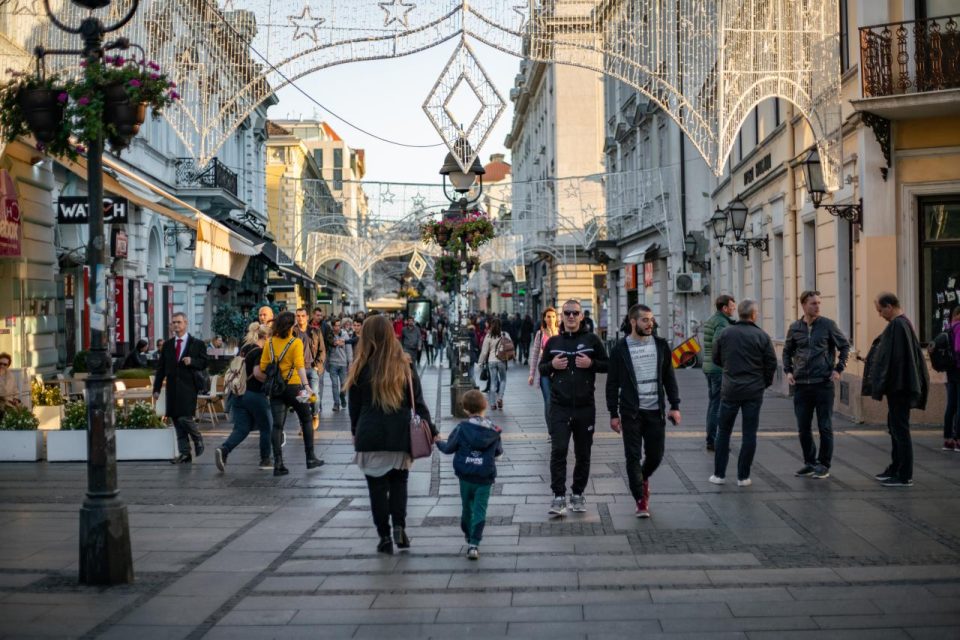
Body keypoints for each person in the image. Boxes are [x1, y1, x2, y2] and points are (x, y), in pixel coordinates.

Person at [345, 314, 436, 554]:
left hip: (370, 434)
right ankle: (399, 526)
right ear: (391, 335)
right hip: (399, 434)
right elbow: (418, 402)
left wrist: (355, 431)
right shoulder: (404, 364)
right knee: (399, 484)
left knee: (376, 490)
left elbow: (353, 407)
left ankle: (384, 536)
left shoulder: (359, 367)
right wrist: (431, 429)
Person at [606, 304, 681, 518]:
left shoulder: (660, 345)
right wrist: (613, 413)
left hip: (655, 411)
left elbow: (669, 377)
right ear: (633, 322)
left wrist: (675, 405)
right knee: (632, 456)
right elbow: (612, 384)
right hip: (631, 412)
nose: (650, 324)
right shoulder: (620, 349)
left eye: (651, 320)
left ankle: (641, 478)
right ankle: (640, 499)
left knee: (656, 455)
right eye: (645, 320)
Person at [540, 299, 609, 515]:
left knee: (583, 453)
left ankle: (577, 494)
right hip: (560, 407)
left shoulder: (592, 340)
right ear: (562, 316)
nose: (571, 317)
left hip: (584, 407)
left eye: (575, 313)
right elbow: (542, 367)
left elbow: (608, 365)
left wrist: (592, 364)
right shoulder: (553, 342)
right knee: (558, 450)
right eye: (567, 313)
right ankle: (558, 496)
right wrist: (551, 365)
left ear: (581, 316)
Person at [863, 292, 929, 488]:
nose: (879, 315)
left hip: (900, 388)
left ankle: (903, 475)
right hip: (899, 386)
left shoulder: (898, 325)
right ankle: (895, 467)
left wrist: (886, 382)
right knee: (895, 428)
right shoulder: (900, 324)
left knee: (900, 430)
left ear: (889, 306)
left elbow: (898, 360)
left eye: (880, 310)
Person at [783, 290, 851, 480]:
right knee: (803, 427)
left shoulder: (828, 325)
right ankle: (810, 463)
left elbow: (844, 346)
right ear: (804, 305)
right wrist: (788, 371)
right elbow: (787, 351)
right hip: (802, 385)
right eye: (813, 303)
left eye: (819, 303)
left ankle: (824, 464)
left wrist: (838, 369)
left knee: (825, 426)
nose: (817, 306)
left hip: (823, 384)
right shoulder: (795, 327)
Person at [709, 299, 777, 487]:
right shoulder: (762, 335)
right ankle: (743, 477)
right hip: (753, 391)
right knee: (749, 433)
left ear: (739, 313)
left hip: (730, 389)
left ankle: (719, 475)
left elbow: (716, 358)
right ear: (754, 315)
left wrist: (729, 369)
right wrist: (764, 383)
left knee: (723, 432)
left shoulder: (725, 333)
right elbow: (771, 363)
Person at [437, 389, 503, 560]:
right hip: (484, 477)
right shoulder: (493, 430)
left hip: (465, 475)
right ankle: (474, 544)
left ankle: (467, 531)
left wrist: (437, 441)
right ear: (485, 406)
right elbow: (498, 453)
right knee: (480, 509)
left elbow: (448, 448)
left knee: (467, 506)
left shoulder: (461, 428)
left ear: (465, 409)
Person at [258, 311, 323, 476]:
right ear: (290, 326)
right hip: (295, 388)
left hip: (276, 390)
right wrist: (307, 387)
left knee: (277, 425)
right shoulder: (295, 342)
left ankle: (278, 464)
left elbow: (264, 366)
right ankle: (310, 458)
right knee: (307, 419)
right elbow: (300, 366)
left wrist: (276, 372)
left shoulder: (270, 343)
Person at [215, 323, 272, 472]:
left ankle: (224, 450)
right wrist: (271, 380)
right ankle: (265, 460)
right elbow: (258, 373)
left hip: (238, 393)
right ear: (265, 337)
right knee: (267, 426)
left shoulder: (244, 349)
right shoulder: (259, 351)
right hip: (254, 394)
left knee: (242, 428)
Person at [153, 312, 209, 464]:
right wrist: (156, 389)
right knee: (176, 420)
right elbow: (161, 368)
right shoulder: (168, 345)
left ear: (185, 323)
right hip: (172, 387)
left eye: (178, 322)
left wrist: (192, 361)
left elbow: (204, 363)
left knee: (185, 417)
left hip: (189, 386)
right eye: (173, 323)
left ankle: (197, 437)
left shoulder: (196, 343)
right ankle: (185, 454)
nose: (176, 325)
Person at [701, 295, 736, 452]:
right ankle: (714, 441)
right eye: (732, 306)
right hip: (718, 369)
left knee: (713, 404)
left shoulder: (713, 319)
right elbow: (719, 344)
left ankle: (711, 439)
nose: (734, 308)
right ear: (724, 308)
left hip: (709, 367)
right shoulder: (721, 322)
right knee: (717, 406)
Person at [294, 308, 324, 429]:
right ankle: (304, 423)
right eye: (298, 316)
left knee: (314, 396)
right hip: (299, 369)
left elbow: (322, 350)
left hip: (312, 368)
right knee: (302, 397)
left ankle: (315, 414)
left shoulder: (315, 331)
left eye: (302, 316)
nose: (300, 318)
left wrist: (317, 365)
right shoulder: (292, 332)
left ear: (307, 317)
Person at [528, 307, 559, 423]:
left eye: (553, 316)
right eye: (548, 317)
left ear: (556, 318)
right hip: (544, 372)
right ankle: (551, 431)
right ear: (544, 319)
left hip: (559, 372)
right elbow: (535, 355)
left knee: (559, 401)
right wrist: (531, 374)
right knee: (549, 401)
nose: (550, 319)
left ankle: (558, 427)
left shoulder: (561, 333)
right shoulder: (540, 334)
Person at [939, 307, 960, 451]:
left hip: (950, 371)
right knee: (959, 406)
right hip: (959, 369)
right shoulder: (959, 328)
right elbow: (959, 348)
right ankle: (958, 439)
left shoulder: (948, 328)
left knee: (951, 405)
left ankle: (947, 439)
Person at [478, 318, 510, 410]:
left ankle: (492, 404)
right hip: (502, 360)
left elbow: (484, 352)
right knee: (503, 380)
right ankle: (500, 398)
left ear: (491, 325)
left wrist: (480, 363)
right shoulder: (505, 334)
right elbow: (510, 346)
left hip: (491, 361)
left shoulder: (488, 336)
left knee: (493, 381)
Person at [326, 317, 353, 412]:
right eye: (335, 326)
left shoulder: (344, 335)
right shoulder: (329, 336)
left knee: (343, 384)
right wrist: (327, 364)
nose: (337, 327)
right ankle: (336, 404)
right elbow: (327, 350)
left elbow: (349, 350)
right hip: (333, 363)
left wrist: (350, 362)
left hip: (343, 363)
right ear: (332, 326)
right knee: (334, 384)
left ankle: (342, 396)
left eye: (339, 325)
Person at [0, 352, 20, 420]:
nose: (2, 366)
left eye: (5, 364)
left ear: (8, 366)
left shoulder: (11, 376)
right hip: (1, 403)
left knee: (18, 413)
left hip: (9, 403)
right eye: (0, 363)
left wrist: (16, 399)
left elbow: (15, 390)